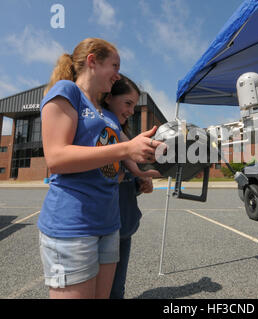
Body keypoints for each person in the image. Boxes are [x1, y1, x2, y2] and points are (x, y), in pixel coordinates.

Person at [38, 38, 161, 299]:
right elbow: (56, 157)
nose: (118, 75)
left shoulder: (104, 112)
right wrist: (126, 150)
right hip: (74, 225)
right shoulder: (67, 91)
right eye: (114, 65)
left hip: (108, 223)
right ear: (92, 61)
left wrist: (139, 171)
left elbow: (122, 150)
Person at [99, 74, 160, 299]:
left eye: (134, 105)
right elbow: (100, 177)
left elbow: (129, 182)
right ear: (108, 98)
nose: (131, 111)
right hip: (103, 228)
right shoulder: (101, 131)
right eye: (127, 103)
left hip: (124, 224)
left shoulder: (127, 137)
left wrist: (142, 183)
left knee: (117, 289)